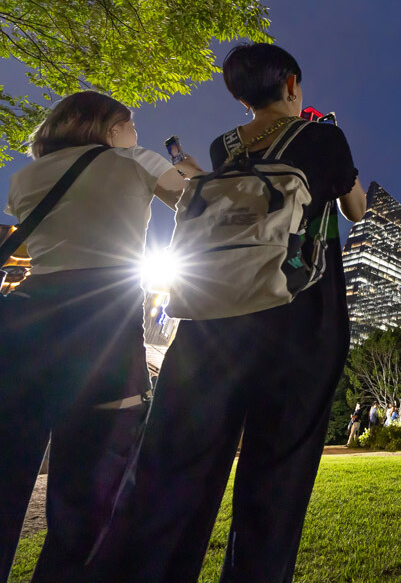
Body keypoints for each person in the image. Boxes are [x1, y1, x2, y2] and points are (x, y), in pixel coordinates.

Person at [0, 91, 197, 583]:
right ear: (109, 129)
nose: (137, 133)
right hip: (103, 327)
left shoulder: (24, 178)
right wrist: (186, 166)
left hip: (24, 330)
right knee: (92, 505)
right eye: (131, 124)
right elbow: (200, 206)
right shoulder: (131, 159)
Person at [104, 42, 365, 583]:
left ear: (240, 94)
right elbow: (355, 209)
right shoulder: (324, 136)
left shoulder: (225, 147)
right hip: (301, 313)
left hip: (214, 316)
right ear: (292, 83)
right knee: (277, 476)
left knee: (179, 468)